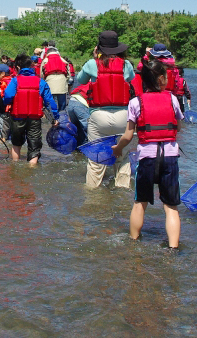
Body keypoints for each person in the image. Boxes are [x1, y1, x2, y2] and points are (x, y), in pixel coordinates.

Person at [112, 58, 184, 246]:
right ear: (161, 79)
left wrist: (118, 149)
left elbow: (128, 135)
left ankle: (134, 242)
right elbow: (180, 126)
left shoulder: (136, 102)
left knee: (140, 203)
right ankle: (173, 247)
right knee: (171, 207)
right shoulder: (172, 98)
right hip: (169, 157)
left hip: (147, 158)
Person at [74, 31, 136, 188]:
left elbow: (80, 80)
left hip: (99, 116)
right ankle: (122, 193)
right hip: (123, 116)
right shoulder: (126, 65)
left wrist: (96, 58)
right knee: (122, 158)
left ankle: (93, 197)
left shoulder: (92, 64)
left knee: (96, 160)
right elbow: (130, 79)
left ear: (99, 48)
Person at [2, 54, 59, 166]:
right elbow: (50, 102)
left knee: (16, 144)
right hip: (35, 119)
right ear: (31, 66)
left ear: (18, 67)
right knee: (34, 147)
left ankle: (16, 169)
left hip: (17, 117)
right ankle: (31, 170)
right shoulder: (41, 82)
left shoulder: (15, 81)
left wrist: (4, 105)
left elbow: (7, 97)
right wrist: (55, 118)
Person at [40, 42, 72, 111]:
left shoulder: (45, 60)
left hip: (50, 82)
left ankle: (53, 118)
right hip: (62, 82)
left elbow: (41, 75)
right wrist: (65, 80)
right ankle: (62, 117)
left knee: (51, 103)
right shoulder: (62, 60)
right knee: (62, 104)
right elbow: (69, 74)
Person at [0, 63, 14, 141]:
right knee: (12, 130)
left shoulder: (3, 83)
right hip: (14, 110)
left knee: (3, 130)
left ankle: (2, 145)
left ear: (2, 74)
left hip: (5, 109)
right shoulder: (13, 81)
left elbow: (2, 95)